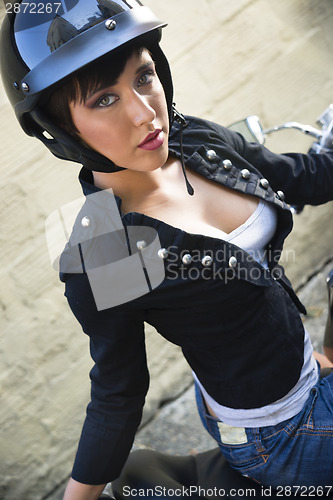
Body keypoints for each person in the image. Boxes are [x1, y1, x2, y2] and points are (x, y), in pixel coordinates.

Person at [1, 1, 333, 499]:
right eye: (103, 100)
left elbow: (302, 178)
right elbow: (118, 391)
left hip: (291, 371)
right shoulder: (107, 248)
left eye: (144, 76)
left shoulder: (195, 139)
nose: (143, 112)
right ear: (63, 129)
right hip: (277, 435)